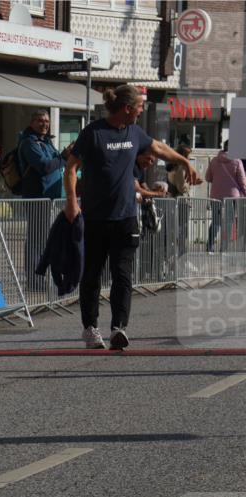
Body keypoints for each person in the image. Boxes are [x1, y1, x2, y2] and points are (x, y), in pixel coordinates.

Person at [64, 84, 201, 350]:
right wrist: (71, 201)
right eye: (139, 107)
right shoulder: (93, 133)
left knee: (122, 274)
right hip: (95, 218)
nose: (140, 111)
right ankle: (90, 328)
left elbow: (158, 147)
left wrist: (184, 162)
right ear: (127, 108)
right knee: (91, 275)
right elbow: (71, 168)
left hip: (126, 217)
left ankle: (119, 328)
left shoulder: (135, 133)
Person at [18, 110, 72, 199]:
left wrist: (70, 155)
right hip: (37, 201)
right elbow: (45, 167)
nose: (44, 124)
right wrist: (63, 157)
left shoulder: (47, 141)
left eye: (47, 121)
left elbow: (57, 163)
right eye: (40, 121)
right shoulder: (29, 143)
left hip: (52, 198)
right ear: (31, 123)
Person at [204, 141, 246, 252]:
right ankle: (224, 248)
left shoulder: (214, 160)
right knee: (228, 223)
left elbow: (207, 177)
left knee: (216, 221)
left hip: (216, 196)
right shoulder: (237, 161)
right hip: (231, 198)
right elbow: (243, 182)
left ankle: (209, 246)